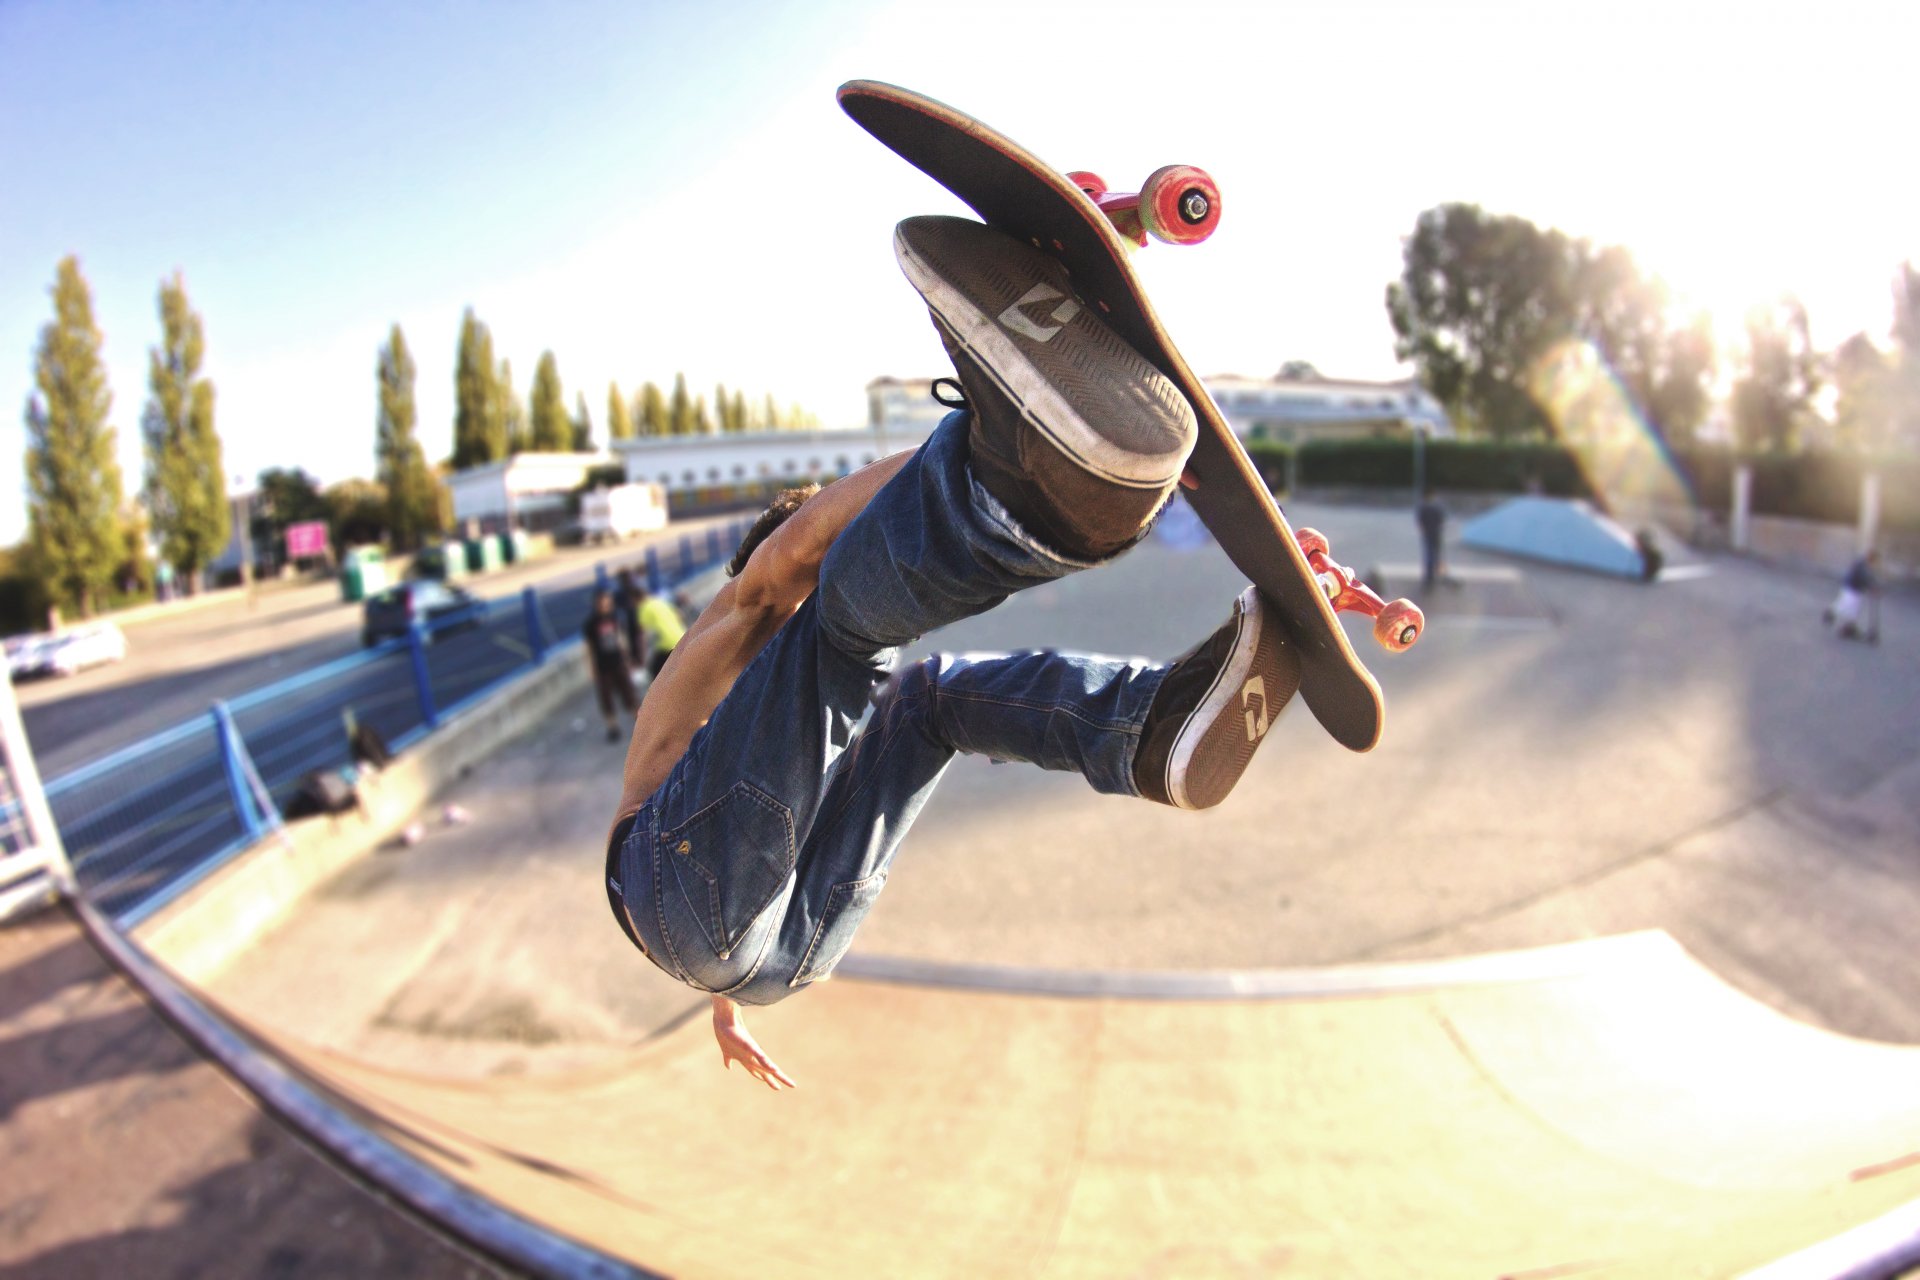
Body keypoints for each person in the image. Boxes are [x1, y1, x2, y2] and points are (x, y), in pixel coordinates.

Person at [603, 216, 1302, 1090]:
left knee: (925, 700)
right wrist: (984, 438)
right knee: (845, 630)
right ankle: (1004, 488)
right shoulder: (730, 619)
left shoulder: (730, 760)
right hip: (729, 920)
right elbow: (782, 566)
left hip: (774, 952)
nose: (808, 568)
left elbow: (716, 873)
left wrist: (725, 996)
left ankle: (1146, 730)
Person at [582, 589, 638, 741]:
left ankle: (639, 723)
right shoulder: (591, 623)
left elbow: (621, 637)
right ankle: (612, 727)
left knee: (629, 693)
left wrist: (627, 658)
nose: (606, 606)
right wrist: (591, 668)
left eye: (608, 603)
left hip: (618, 662)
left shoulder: (614, 617)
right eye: (603, 603)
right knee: (606, 698)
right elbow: (589, 648)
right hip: (603, 666)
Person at [633, 580, 688, 680]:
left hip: (666, 645)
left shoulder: (643, 609)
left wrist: (642, 657)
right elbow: (680, 615)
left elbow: (642, 634)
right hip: (682, 638)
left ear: (635, 599)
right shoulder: (659, 601)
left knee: (657, 676)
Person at [1825, 549, 1882, 642]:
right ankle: (1838, 620)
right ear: (1872, 558)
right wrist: (1873, 588)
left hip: (1854, 588)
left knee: (1852, 609)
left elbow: (1870, 577)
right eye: (1875, 561)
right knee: (1847, 607)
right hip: (1852, 588)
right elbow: (1865, 577)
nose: (1876, 563)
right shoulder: (1862, 565)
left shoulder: (1865, 564)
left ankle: (1848, 626)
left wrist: (1875, 586)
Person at [1415, 486, 1447, 591]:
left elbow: (1420, 520)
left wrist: (1424, 529)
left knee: (1429, 554)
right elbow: (1442, 518)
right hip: (1436, 532)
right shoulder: (1437, 506)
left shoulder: (1424, 506)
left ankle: (1430, 576)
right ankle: (1437, 574)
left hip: (1429, 533)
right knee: (1435, 553)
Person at [614, 567, 644, 666]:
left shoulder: (626, 592)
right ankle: (637, 662)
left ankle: (637, 662)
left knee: (635, 643)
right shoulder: (629, 591)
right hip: (632, 621)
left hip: (634, 621)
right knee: (635, 644)